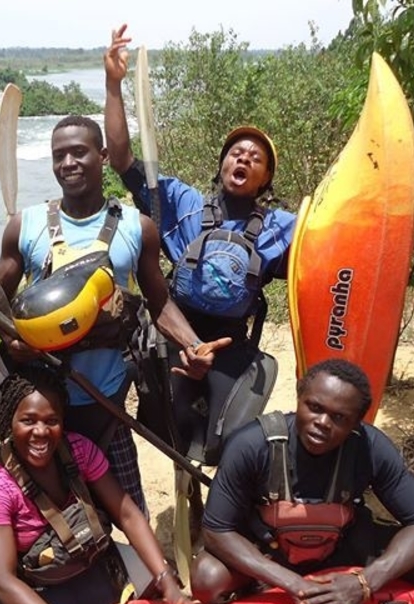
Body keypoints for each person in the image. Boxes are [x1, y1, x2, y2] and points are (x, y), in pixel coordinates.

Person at [0, 113, 230, 515]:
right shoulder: (25, 226)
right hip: (41, 405)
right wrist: (10, 342)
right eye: (59, 155)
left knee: (129, 512)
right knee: (52, 520)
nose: (68, 163)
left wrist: (193, 344)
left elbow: (159, 303)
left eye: (79, 152)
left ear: (103, 155)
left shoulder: (137, 227)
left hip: (105, 400)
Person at [103, 24, 296, 527]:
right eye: (236, 152)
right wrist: (113, 84)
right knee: (174, 437)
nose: (243, 158)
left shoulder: (283, 226)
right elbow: (121, 158)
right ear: (222, 164)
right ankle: (186, 498)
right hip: (175, 334)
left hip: (232, 347)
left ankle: (224, 518)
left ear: (266, 179)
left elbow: (326, 257)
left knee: (231, 445)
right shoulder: (181, 202)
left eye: (255, 158)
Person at [190, 359, 414, 604]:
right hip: (271, 551)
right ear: (299, 397)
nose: (322, 423)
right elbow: (216, 531)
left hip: (344, 546)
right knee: (207, 579)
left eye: (339, 417)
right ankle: (258, 591)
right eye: (314, 407)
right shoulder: (252, 444)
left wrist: (365, 582)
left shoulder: (370, 447)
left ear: (357, 423)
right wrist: (293, 583)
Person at [0, 365, 199, 604]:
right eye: (28, 420)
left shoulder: (78, 451)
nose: (41, 431)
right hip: (40, 592)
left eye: (51, 421)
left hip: (95, 565)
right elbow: (3, 581)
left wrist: (166, 580)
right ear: (9, 421)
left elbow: (127, 514)